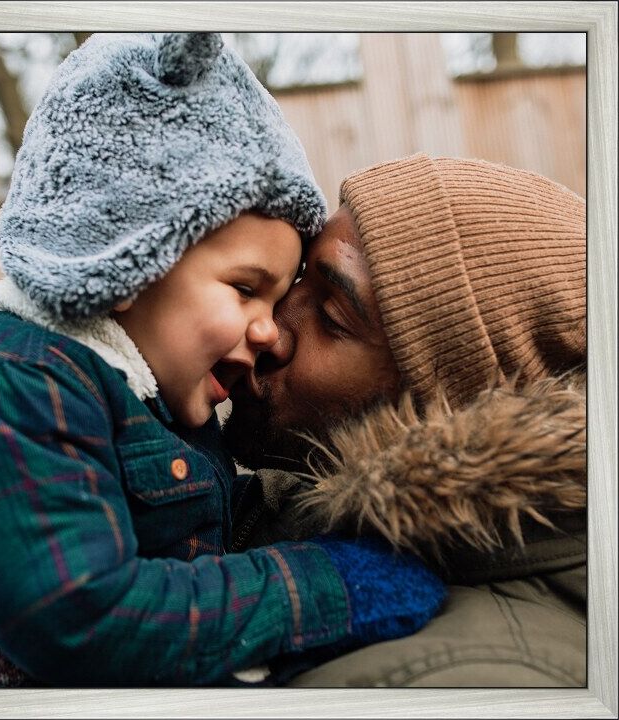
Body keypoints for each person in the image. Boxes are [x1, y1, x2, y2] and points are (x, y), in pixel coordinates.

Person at [0, 34, 445, 688]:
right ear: (130, 258)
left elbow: (226, 526)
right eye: (245, 289)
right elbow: (88, 618)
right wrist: (328, 587)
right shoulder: (7, 388)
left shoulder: (156, 399)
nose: (271, 330)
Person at [225, 153, 587, 686]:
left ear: (452, 407)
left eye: (331, 317)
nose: (266, 325)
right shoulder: (295, 517)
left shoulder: (442, 680)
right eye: (298, 276)